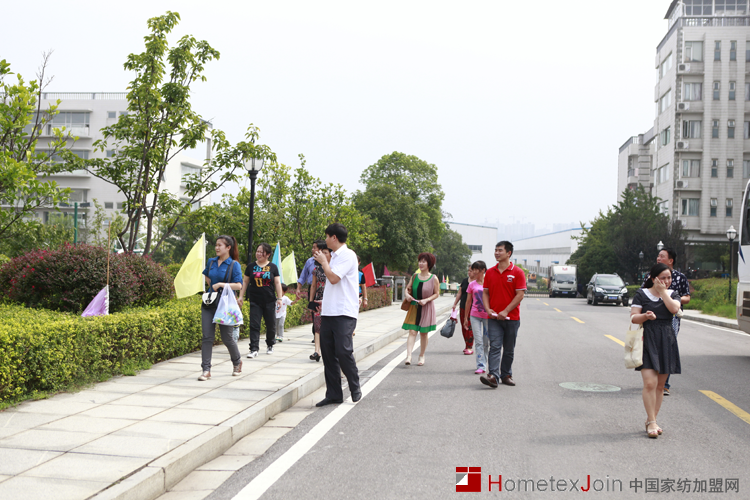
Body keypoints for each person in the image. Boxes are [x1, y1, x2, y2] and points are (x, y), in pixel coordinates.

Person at [631, 263, 682, 438]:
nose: (666, 281)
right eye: (662, 278)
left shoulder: (672, 294)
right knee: (650, 383)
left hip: (666, 340)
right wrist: (645, 316)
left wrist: (662, 293)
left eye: (669, 278)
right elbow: (633, 317)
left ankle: (651, 419)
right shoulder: (641, 294)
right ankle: (652, 422)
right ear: (653, 279)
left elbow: (674, 309)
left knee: (660, 386)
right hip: (648, 339)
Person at [315, 223, 362, 407]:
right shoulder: (334, 256)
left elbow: (334, 279)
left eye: (327, 236)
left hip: (344, 312)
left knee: (343, 351)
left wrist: (324, 263)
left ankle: (354, 386)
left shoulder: (347, 255)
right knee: (328, 355)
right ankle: (334, 394)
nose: (325, 240)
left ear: (334, 237)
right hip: (329, 311)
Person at [641, 248, 690, 396]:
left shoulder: (680, 278)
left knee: (666, 347)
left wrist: (672, 299)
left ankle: (664, 384)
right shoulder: (652, 277)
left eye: (662, 256)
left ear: (671, 260)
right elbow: (643, 293)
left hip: (671, 318)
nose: (658, 258)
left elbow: (687, 297)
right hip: (651, 319)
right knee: (652, 347)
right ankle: (652, 379)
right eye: (658, 256)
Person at [480, 241, 526, 388]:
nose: (497, 253)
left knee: (509, 349)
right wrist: (487, 309)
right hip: (493, 318)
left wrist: (506, 310)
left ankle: (506, 375)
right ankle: (493, 376)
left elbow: (520, 295)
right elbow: (485, 292)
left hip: (511, 318)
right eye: (495, 250)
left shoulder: (517, 272)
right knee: (494, 346)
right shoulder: (490, 272)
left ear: (509, 253)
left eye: (500, 250)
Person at [199, 235, 244, 381]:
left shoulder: (234, 265)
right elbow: (206, 276)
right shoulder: (211, 262)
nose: (217, 248)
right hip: (209, 302)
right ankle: (206, 370)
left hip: (225, 305)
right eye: (216, 245)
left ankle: (237, 361)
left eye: (220, 245)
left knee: (227, 338)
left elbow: (239, 285)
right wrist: (211, 287)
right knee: (207, 337)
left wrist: (220, 286)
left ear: (228, 247)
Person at [239, 242, 284, 358]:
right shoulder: (251, 267)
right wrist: (241, 296)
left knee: (270, 324)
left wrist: (279, 298)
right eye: (257, 251)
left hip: (269, 300)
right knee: (254, 325)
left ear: (268, 254)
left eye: (261, 252)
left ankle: (270, 344)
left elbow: (277, 283)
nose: (258, 254)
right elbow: (245, 282)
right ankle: (254, 348)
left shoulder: (273, 267)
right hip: (255, 300)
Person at [402, 253, 440, 366]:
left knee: (423, 333)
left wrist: (427, 300)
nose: (421, 263)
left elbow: (437, 294)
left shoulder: (434, 278)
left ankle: (421, 355)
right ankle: (408, 356)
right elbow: (407, 288)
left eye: (424, 261)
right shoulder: (414, 276)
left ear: (429, 264)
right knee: (412, 331)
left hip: (426, 307)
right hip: (414, 306)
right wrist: (407, 295)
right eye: (420, 261)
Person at [465, 261, 489, 374]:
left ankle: (485, 361)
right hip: (475, 315)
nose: (474, 271)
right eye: (473, 269)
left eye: (476, 269)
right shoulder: (472, 284)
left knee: (485, 342)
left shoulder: (489, 283)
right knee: (478, 341)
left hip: (487, 316)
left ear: (483, 270)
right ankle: (481, 365)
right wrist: (466, 318)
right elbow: (468, 302)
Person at [309, 243, 332, 362]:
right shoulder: (316, 269)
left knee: (327, 327)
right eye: (321, 252)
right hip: (319, 299)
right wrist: (311, 301)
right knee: (317, 325)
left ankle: (328, 350)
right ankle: (317, 351)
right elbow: (313, 285)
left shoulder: (334, 268)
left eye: (326, 253)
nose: (323, 255)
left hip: (330, 301)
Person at [299, 240, 324, 344]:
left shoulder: (328, 262)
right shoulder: (309, 261)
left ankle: (323, 334)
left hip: (324, 288)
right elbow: (303, 275)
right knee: (314, 312)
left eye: (315, 247)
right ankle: (316, 335)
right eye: (312, 247)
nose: (313, 249)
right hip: (312, 288)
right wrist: (298, 288)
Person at [452, 266, 475, 355]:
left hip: (473, 307)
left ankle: (469, 346)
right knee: (463, 326)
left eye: (471, 271)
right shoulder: (465, 280)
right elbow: (460, 293)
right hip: (463, 306)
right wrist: (455, 304)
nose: (469, 272)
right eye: (468, 270)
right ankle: (466, 344)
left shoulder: (477, 282)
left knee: (469, 327)